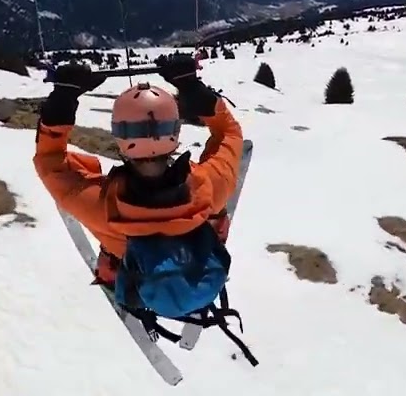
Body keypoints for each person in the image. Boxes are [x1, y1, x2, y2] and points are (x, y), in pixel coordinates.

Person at [33, 52, 255, 362]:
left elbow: (50, 161)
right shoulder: (209, 185)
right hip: (198, 251)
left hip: (130, 268)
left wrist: (65, 95)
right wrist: (191, 86)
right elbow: (229, 133)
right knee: (215, 219)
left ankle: (126, 285)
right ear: (175, 133)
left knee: (113, 257)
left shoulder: (97, 205)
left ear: (122, 139)